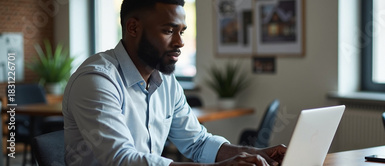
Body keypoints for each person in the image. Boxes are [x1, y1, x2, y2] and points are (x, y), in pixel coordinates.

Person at [62, 0, 286, 165]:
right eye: (169, 31)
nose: (180, 42)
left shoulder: (166, 81)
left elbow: (197, 143)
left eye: (181, 32)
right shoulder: (97, 81)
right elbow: (121, 159)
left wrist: (258, 154)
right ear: (133, 28)